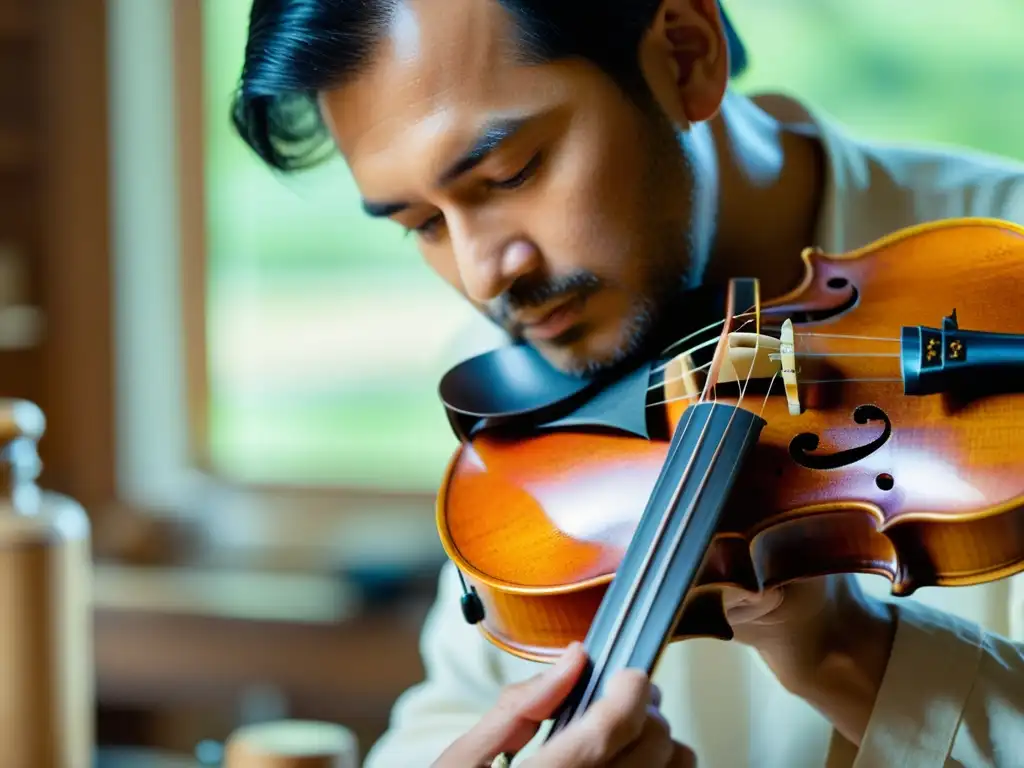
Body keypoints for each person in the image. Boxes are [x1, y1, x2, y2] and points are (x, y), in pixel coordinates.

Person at [229, 0, 1024, 765]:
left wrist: (856, 655)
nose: (482, 277)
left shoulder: (1008, 275)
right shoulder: (529, 369)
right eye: (424, 226)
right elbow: (457, 704)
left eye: (510, 173)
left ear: (685, 55)